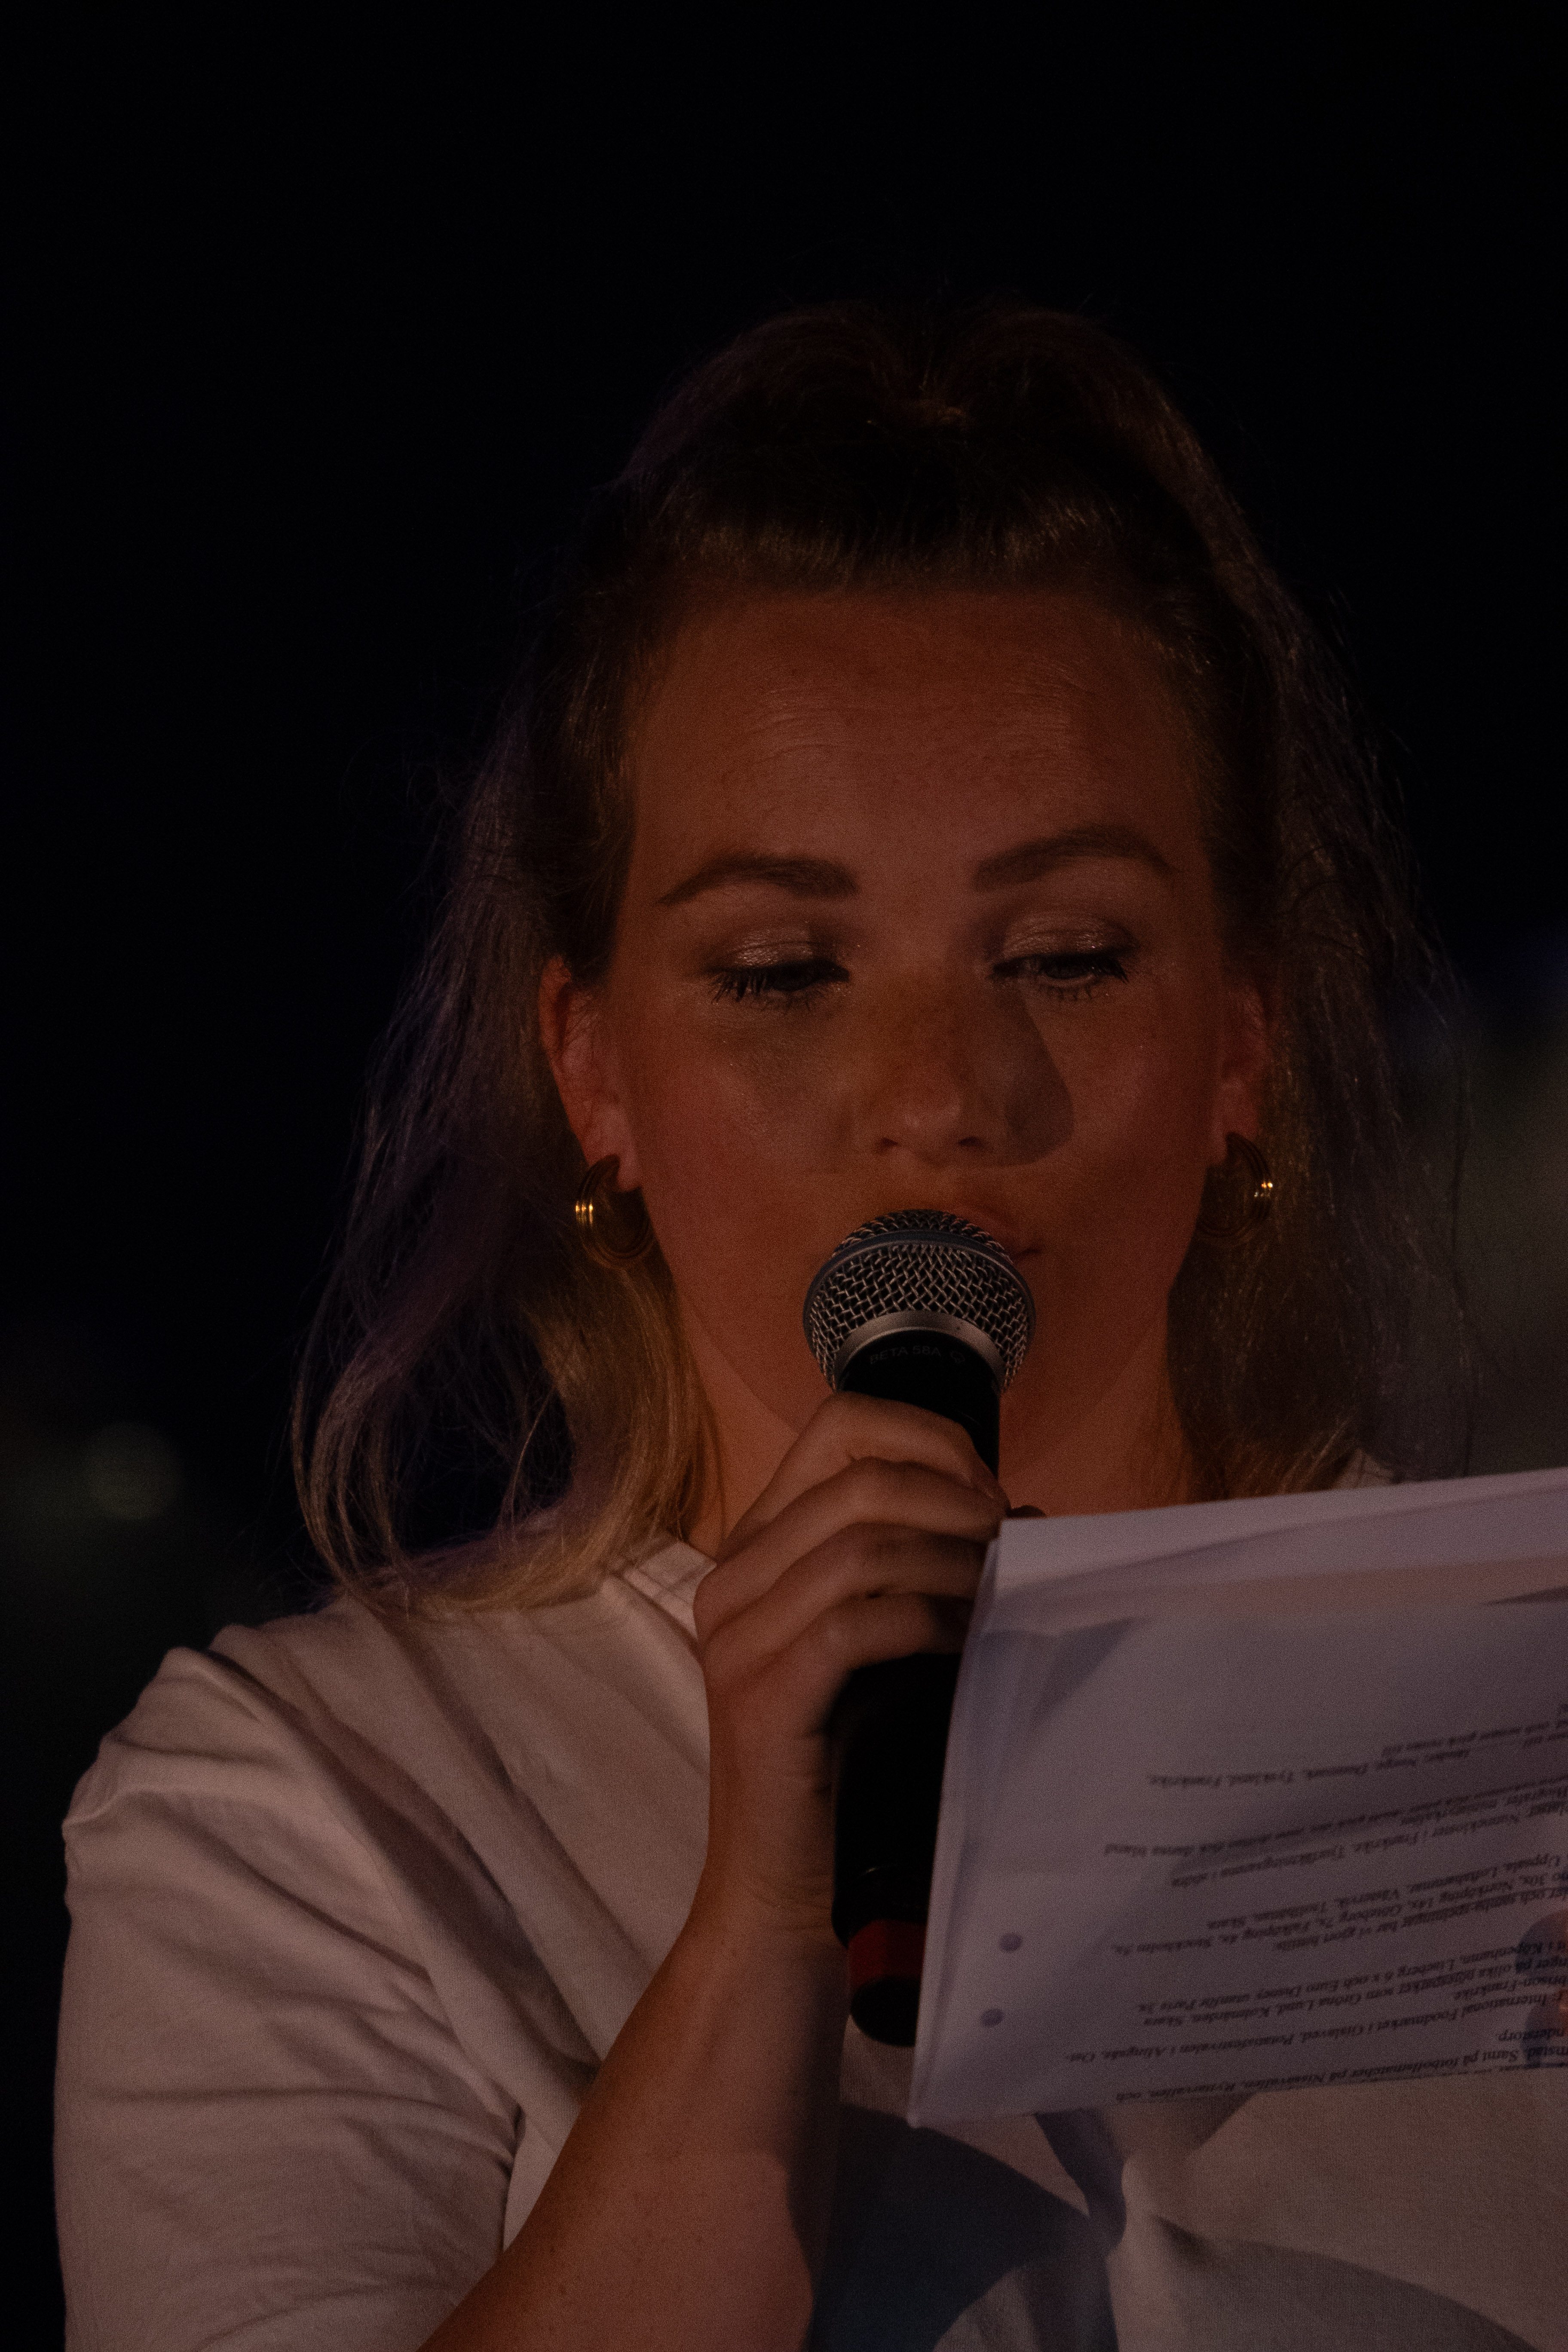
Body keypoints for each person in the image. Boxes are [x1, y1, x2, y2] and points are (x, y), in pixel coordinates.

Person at [54, 301, 1563, 2352]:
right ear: (592, 1067)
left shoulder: (1514, 1727)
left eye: (1064, 955)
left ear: (1240, 1044)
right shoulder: (318, 1812)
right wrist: (759, 1926)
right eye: (783, 972)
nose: (938, 1095)